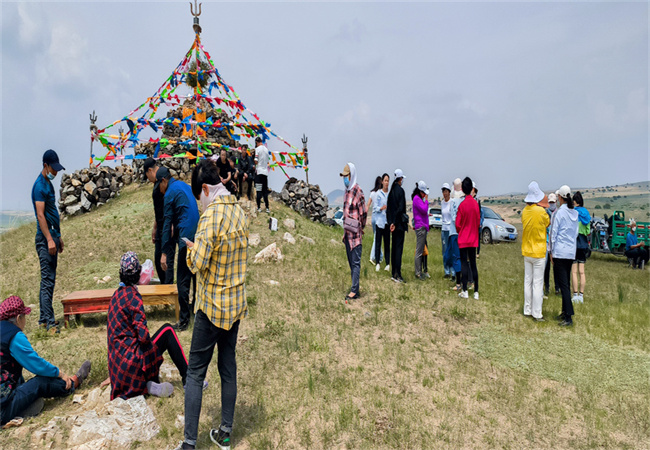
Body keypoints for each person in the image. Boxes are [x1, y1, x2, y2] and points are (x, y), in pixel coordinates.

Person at [177, 159, 249, 450]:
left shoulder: (210, 217)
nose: (200, 204)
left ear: (205, 189)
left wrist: (191, 249)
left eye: (200, 197)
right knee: (227, 367)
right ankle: (226, 433)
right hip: (235, 304)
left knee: (195, 373)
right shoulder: (239, 211)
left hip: (211, 307)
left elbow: (197, 264)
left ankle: (189, 443)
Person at [107, 252, 199, 400]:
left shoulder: (115, 296)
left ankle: (146, 383)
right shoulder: (133, 296)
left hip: (118, 372)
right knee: (168, 331)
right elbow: (143, 338)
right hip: (132, 365)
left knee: (146, 346)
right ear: (138, 272)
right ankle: (188, 379)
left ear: (120, 273)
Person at [0, 295, 91, 425]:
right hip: (3, 409)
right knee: (40, 382)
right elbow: (36, 365)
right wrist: (60, 373)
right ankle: (72, 383)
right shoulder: (14, 336)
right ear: (19, 318)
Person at [158, 167, 200, 331]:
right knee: (196, 275)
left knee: (182, 280)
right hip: (198, 234)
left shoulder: (169, 193)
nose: (159, 190)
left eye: (159, 185)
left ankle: (183, 321)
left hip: (186, 238)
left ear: (163, 181)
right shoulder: (184, 185)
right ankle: (197, 312)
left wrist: (164, 253)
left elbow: (167, 224)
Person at [32, 149, 65, 333]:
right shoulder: (39, 186)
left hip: (52, 236)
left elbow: (52, 213)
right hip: (45, 239)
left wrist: (58, 237)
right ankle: (50, 325)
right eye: (54, 169)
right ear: (45, 165)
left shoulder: (48, 184)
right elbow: (40, 215)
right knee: (47, 280)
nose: (56, 172)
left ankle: (44, 320)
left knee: (49, 280)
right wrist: (49, 239)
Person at [549, 185, 579, 327]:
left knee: (564, 286)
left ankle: (569, 316)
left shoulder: (559, 213)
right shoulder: (575, 213)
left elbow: (554, 233)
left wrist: (551, 251)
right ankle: (564, 311)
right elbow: (576, 233)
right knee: (566, 282)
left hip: (560, 252)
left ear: (560, 197)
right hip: (570, 252)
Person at [521, 182, 550, 321]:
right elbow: (547, 223)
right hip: (539, 251)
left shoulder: (524, 211)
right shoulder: (541, 212)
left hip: (527, 250)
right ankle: (537, 313)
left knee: (528, 281)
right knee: (538, 283)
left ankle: (527, 309)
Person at [143, 158, 175, 285]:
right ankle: (164, 286)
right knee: (158, 260)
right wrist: (155, 228)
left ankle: (168, 288)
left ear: (150, 171)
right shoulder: (157, 183)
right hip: (160, 226)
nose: (148, 179)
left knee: (166, 260)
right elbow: (159, 209)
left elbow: (170, 204)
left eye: (147, 175)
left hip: (167, 226)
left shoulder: (163, 180)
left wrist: (171, 224)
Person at [340, 163, 367, 300]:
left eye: (346, 176)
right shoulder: (346, 192)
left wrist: (360, 226)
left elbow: (363, 212)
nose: (345, 179)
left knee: (356, 263)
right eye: (343, 176)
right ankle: (355, 286)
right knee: (351, 262)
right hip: (347, 234)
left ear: (352, 176)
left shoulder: (358, 191)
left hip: (355, 235)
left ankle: (354, 291)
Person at [456, 177, 480, 299]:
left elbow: (457, 224)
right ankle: (476, 292)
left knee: (464, 264)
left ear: (462, 189)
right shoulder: (475, 204)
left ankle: (464, 290)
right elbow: (478, 222)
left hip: (463, 239)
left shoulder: (462, 205)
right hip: (473, 238)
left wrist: (461, 231)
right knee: (473, 264)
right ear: (471, 189)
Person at [386, 169, 408, 283]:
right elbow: (401, 208)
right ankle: (397, 274)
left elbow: (389, 209)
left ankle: (393, 272)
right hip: (399, 225)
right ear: (400, 179)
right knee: (398, 249)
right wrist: (395, 222)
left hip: (392, 225)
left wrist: (390, 222)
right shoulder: (400, 191)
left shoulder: (391, 191)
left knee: (393, 248)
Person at [571, 191, 591, 303]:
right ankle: (581, 295)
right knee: (582, 272)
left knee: (574, 272)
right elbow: (588, 231)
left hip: (574, 244)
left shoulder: (573, 212)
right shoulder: (586, 213)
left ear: (574, 201)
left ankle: (575, 294)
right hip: (583, 244)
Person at [446, 179, 464, 291]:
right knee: (462, 257)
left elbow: (453, 217)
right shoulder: (463, 200)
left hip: (454, 232)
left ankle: (458, 283)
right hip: (462, 232)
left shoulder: (453, 201)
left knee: (455, 257)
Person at [412, 181, 430, 280]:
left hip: (422, 226)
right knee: (419, 251)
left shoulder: (418, 199)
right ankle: (418, 272)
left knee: (421, 250)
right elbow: (424, 209)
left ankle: (419, 271)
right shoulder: (417, 199)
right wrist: (426, 201)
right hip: (420, 226)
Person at [373, 174, 391, 273]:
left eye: (388, 181)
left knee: (387, 243)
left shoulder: (390, 194)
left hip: (387, 222)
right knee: (378, 243)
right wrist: (381, 208)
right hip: (379, 222)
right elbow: (375, 207)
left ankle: (388, 263)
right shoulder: (378, 194)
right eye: (385, 180)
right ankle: (377, 263)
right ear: (382, 182)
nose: (386, 182)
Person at [544, 193, 560, 297]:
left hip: (555, 243)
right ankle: (546, 287)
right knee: (546, 267)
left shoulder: (559, 213)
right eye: (550, 202)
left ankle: (557, 287)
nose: (551, 204)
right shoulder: (545, 213)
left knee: (556, 266)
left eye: (553, 202)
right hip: (546, 241)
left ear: (556, 202)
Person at [367, 176, 384, 265]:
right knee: (377, 237)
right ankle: (372, 257)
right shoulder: (381, 193)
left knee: (377, 235)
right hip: (379, 217)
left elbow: (368, 205)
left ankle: (380, 256)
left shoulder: (372, 193)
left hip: (373, 217)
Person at [440, 183, 455, 279]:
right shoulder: (442, 203)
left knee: (452, 250)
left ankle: (453, 272)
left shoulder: (452, 202)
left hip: (451, 229)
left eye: (446, 191)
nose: (445, 193)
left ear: (449, 192)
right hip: (444, 229)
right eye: (443, 191)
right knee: (445, 251)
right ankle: (447, 271)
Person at [254, 137, 270, 213]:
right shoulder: (266, 150)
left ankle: (259, 207)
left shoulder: (257, 149)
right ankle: (267, 208)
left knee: (258, 190)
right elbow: (267, 161)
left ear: (257, 142)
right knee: (265, 191)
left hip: (259, 172)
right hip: (265, 172)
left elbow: (256, 160)